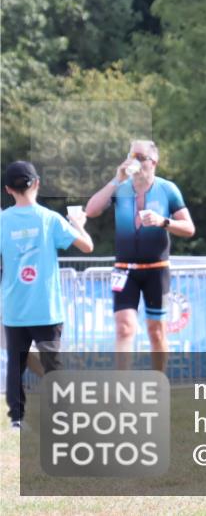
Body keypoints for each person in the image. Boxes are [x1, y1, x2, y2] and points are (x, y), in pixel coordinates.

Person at [85, 140, 195, 371]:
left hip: (157, 269)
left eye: (140, 157)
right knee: (124, 327)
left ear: (153, 162)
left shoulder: (167, 189)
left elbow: (189, 228)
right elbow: (91, 210)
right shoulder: (121, 188)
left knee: (156, 331)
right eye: (130, 155)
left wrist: (163, 221)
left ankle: (158, 380)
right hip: (124, 270)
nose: (134, 161)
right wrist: (116, 179)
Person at [2, 161, 94, 430]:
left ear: (8, 189)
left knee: (15, 365)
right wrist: (78, 224)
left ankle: (16, 419)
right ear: (37, 183)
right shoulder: (50, 219)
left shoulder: (2, 221)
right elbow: (87, 246)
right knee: (53, 364)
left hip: (14, 306)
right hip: (46, 306)